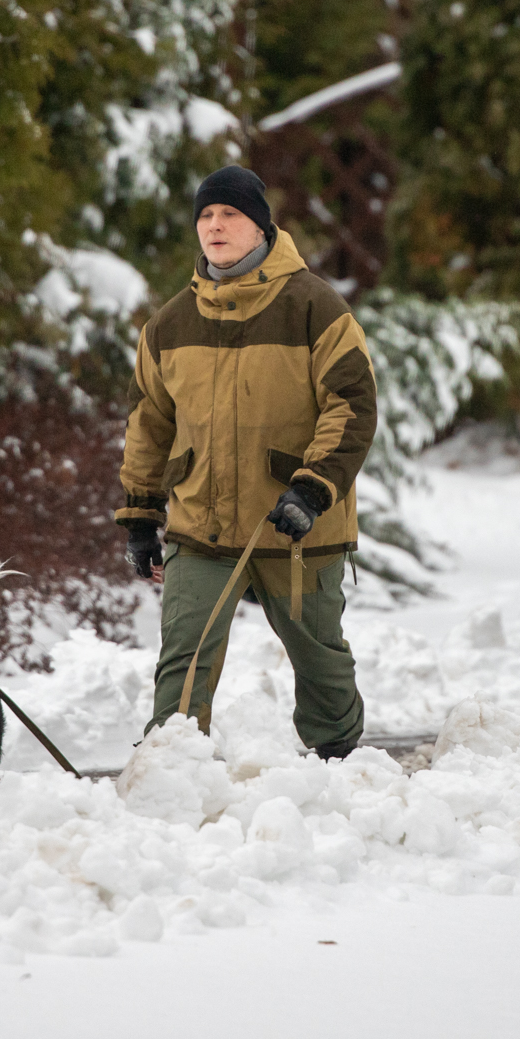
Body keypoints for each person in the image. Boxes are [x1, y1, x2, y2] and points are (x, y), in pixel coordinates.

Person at [115, 165, 378, 759]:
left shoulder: (316, 308)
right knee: (183, 655)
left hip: (296, 525)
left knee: (319, 659)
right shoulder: (169, 324)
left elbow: (353, 406)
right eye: (206, 215)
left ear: (261, 227)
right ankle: (171, 762)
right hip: (200, 522)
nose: (215, 225)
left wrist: (312, 491)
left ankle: (340, 760)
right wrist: (139, 514)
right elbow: (148, 425)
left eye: (230, 214)